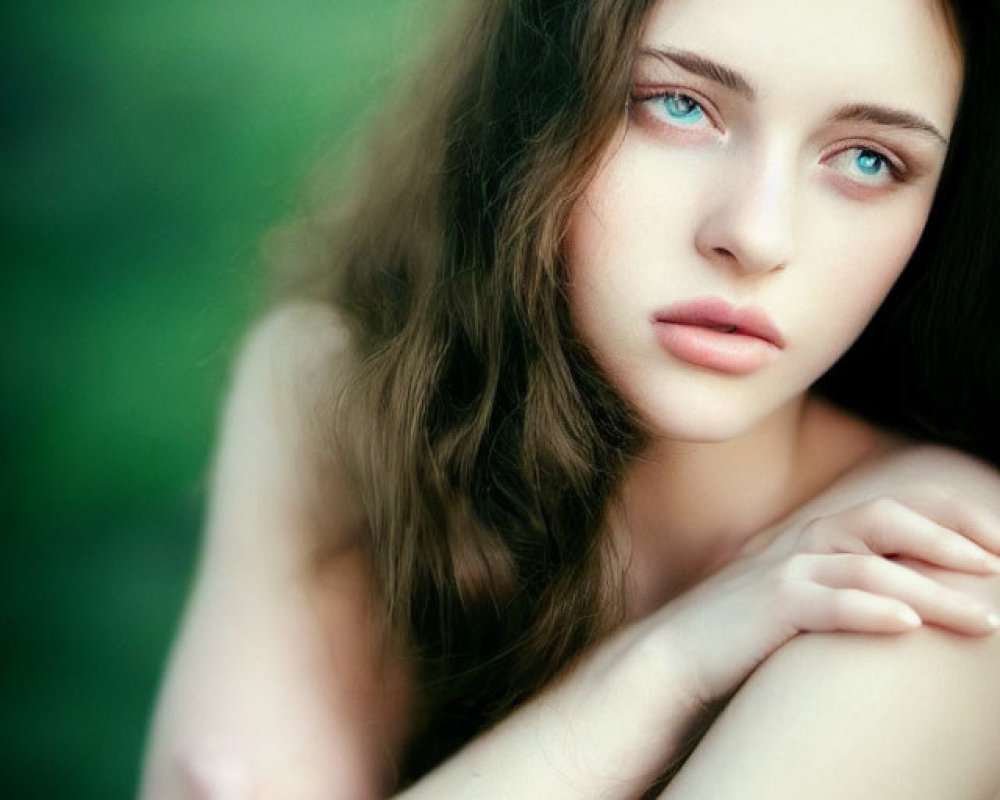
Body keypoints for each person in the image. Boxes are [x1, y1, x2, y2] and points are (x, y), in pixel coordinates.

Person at [140, 0, 1000, 797]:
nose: (756, 235)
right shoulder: (332, 397)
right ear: (531, 108)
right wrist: (656, 672)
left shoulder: (938, 566)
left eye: (867, 159)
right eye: (678, 105)